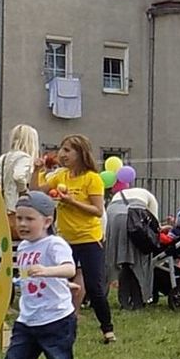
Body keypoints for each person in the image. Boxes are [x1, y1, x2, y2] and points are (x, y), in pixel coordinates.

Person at [0, 192, 108, 359]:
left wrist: (48, 272)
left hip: (56, 322)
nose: (22, 224)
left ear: (47, 221)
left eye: (29, 219)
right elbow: (30, 279)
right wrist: (62, 284)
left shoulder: (54, 244)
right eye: (19, 218)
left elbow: (68, 268)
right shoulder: (23, 247)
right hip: (27, 322)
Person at [43, 134, 115, 344]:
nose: (62, 154)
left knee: (94, 287)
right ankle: (60, 327)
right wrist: (38, 170)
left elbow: (97, 211)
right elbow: (37, 190)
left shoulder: (92, 178)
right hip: (65, 240)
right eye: (61, 149)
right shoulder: (61, 176)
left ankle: (107, 330)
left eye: (67, 150)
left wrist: (72, 202)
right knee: (59, 285)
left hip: (89, 239)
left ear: (80, 153)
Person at [103, 185, 159, 310]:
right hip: (134, 219)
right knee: (139, 262)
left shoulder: (119, 194)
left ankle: (120, 300)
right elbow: (154, 225)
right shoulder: (150, 198)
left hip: (113, 216)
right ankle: (138, 300)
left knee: (120, 262)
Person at [0, 123, 40, 237]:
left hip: (2, 207)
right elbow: (18, 176)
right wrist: (23, 191)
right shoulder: (25, 158)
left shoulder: (4, 157)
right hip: (16, 207)